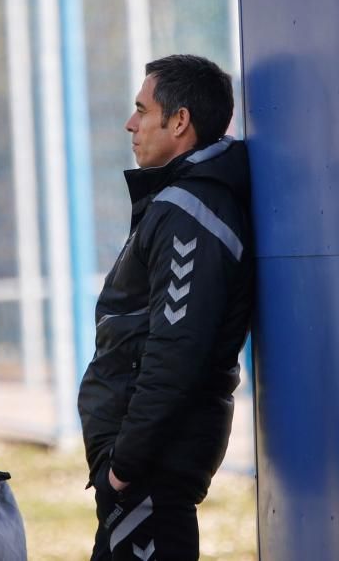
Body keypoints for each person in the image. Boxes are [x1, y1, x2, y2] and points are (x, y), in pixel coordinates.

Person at [78, 54, 254, 560]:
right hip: (143, 474)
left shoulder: (191, 214)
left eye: (141, 110)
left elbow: (176, 350)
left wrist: (125, 466)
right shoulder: (180, 203)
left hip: (151, 472)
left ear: (179, 122)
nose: (130, 124)